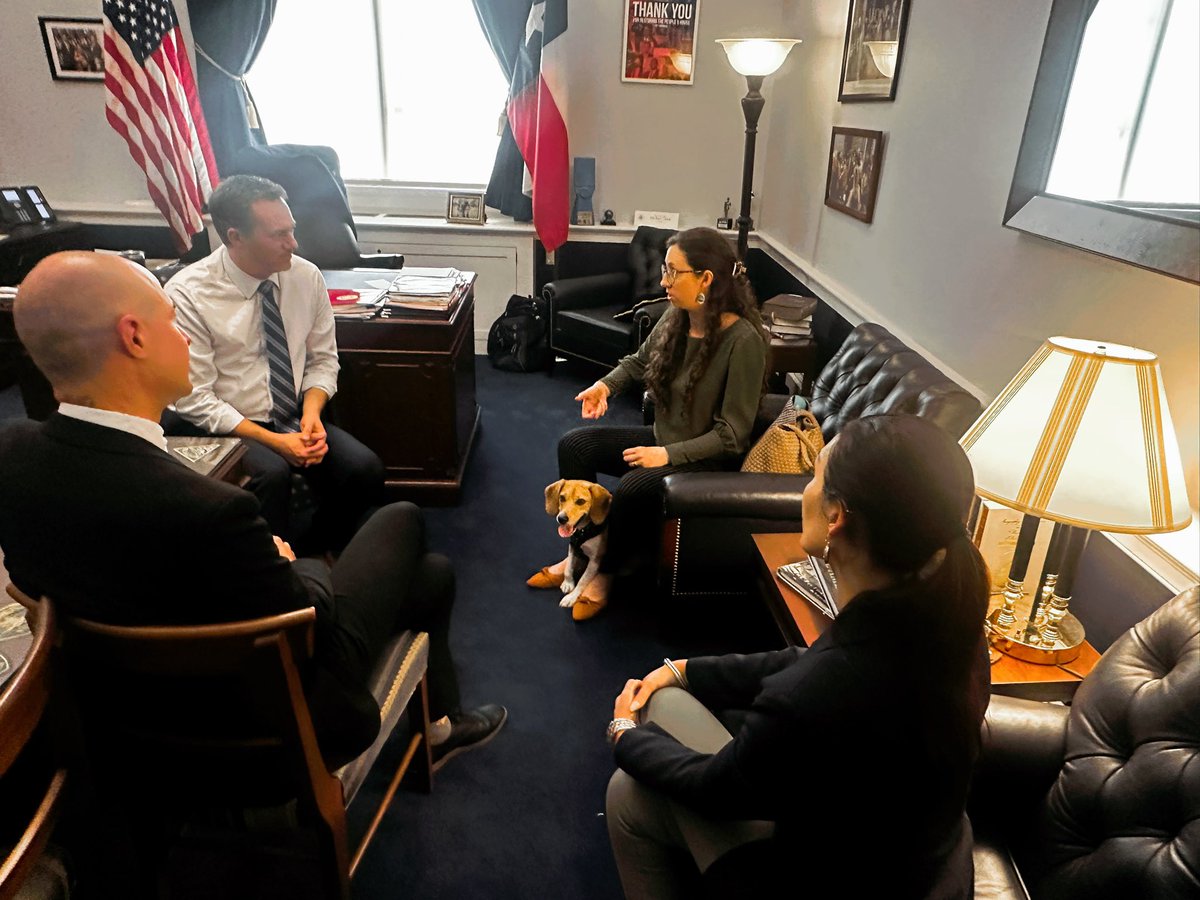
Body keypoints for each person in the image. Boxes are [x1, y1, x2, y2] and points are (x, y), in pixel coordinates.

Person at [0, 252, 506, 771]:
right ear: (135, 337)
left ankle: (441, 721)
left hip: (109, 721)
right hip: (256, 734)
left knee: (430, 575)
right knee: (402, 519)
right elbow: (307, 620)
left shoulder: (12, 456)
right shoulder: (213, 511)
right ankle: (440, 726)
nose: (189, 341)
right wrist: (290, 560)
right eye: (173, 322)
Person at [604, 414, 991, 899]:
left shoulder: (814, 697)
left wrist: (623, 735)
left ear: (837, 517)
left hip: (827, 878)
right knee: (660, 719)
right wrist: (685, 670)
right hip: (920, 863)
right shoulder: (952, 629)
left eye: (814, 478)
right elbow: (808, 661)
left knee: (628, 787)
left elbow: (716, 789)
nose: (806, 489)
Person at [528, 227, 768, 619]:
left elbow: (731, 436)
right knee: (574, 445)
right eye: (664, 270)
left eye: (674, 272)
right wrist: (605, 386)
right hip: (664, 441)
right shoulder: (678, 315)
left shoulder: (744, 341)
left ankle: (606, 573)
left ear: (706, 279)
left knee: (633, 488)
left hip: (703, 459)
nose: (663, 281)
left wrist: (667, 455)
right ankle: (577, 555)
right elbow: (639, 362)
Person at [165, 174, 381, 556]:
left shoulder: (305, 276)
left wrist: (312, 414)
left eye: (292, 230)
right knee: (271, 475)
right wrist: (274, 442)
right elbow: (194, 398)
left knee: (363, 470)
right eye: (278, 235)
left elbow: (322, 359)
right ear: (235, 237)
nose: (293, 244)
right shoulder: (188, 293)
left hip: (292, 412)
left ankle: (313, 550)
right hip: (229, 424)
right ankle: (271, 569)